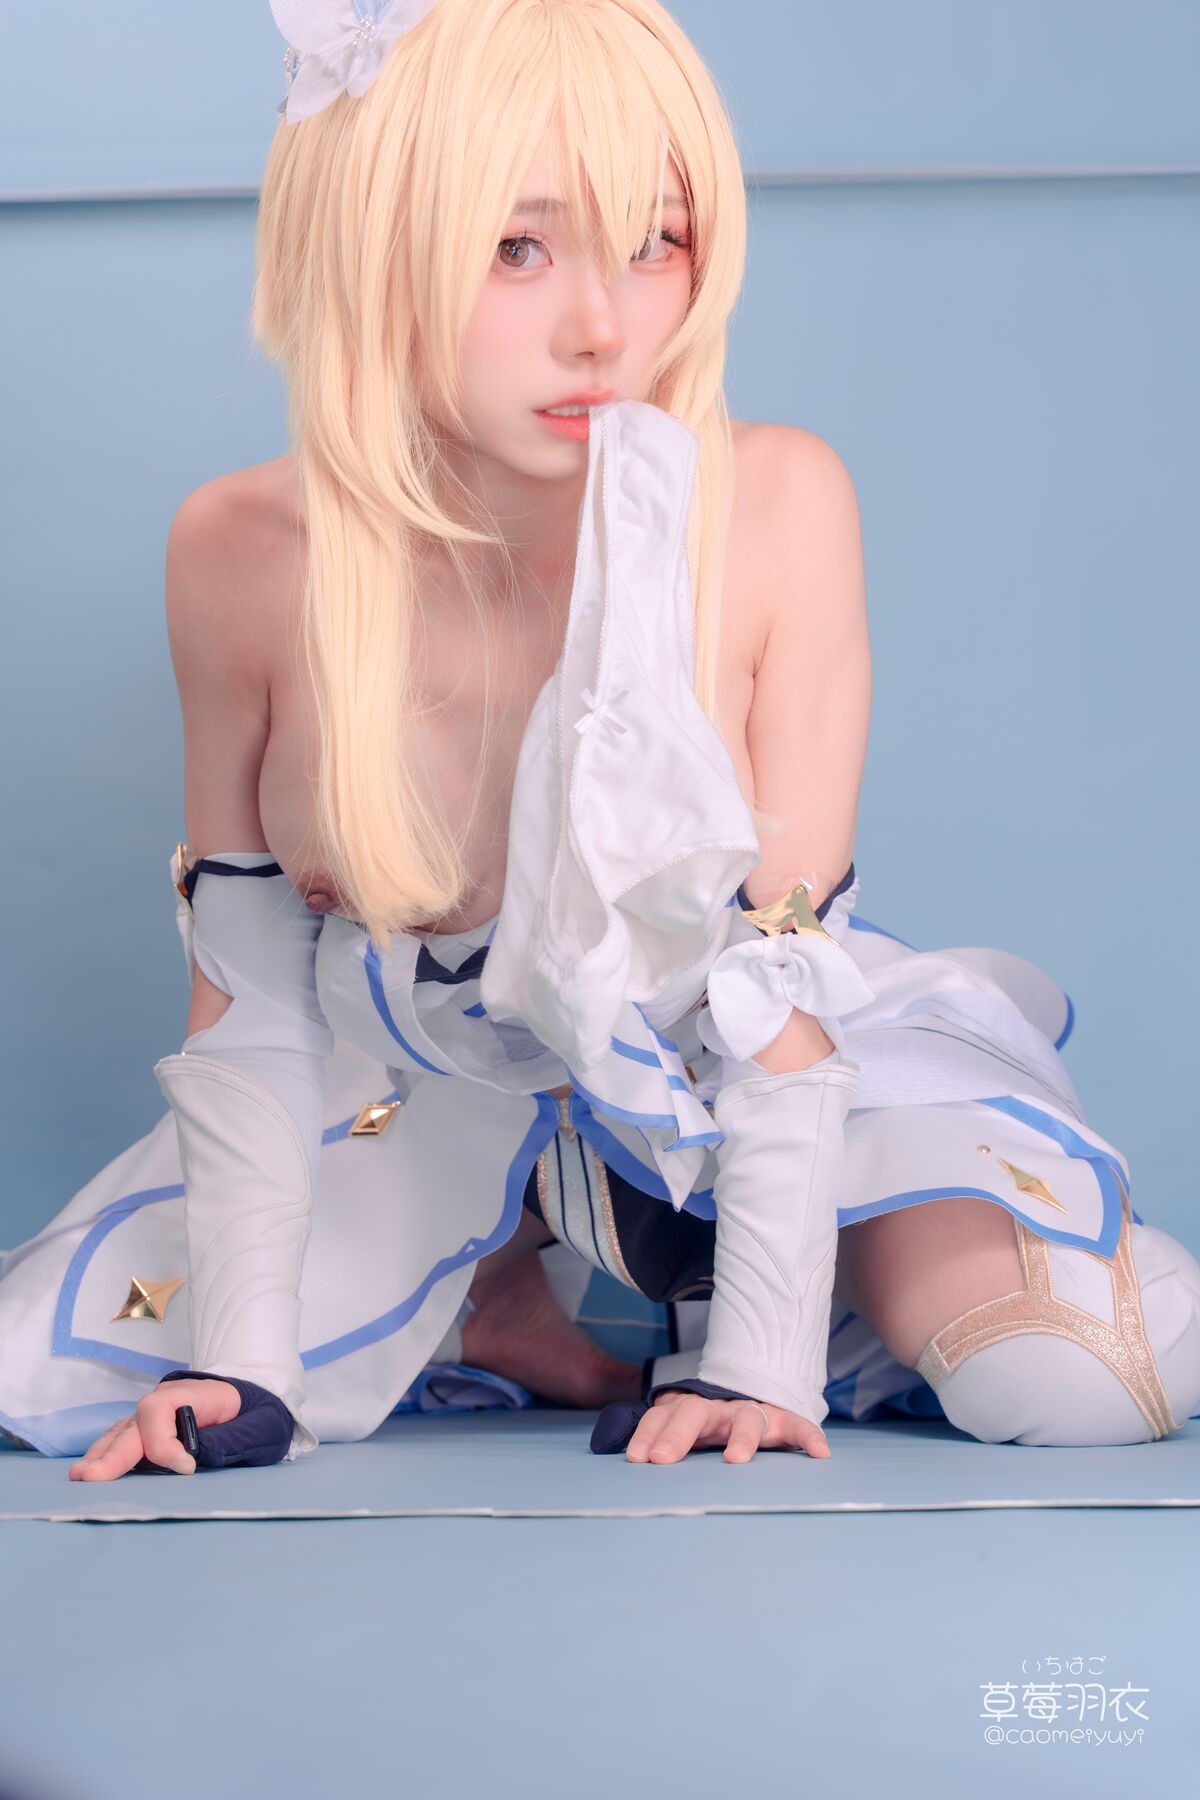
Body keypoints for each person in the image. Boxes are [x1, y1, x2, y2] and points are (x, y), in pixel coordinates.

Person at [2, 0, 1198, 1480]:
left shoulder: (774, 506)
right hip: (428, 1101)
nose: (605, 327)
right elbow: (247, 1001)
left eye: (656, 241)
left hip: (749, 1080)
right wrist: (241, 1369)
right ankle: (495, 1290)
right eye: (517, 247)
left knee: (1073, 1377)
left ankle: (751, 1286)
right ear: (365, 239)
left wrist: (759, 1372)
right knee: (56, 1366)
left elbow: (774, 989)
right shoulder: (239, 550)